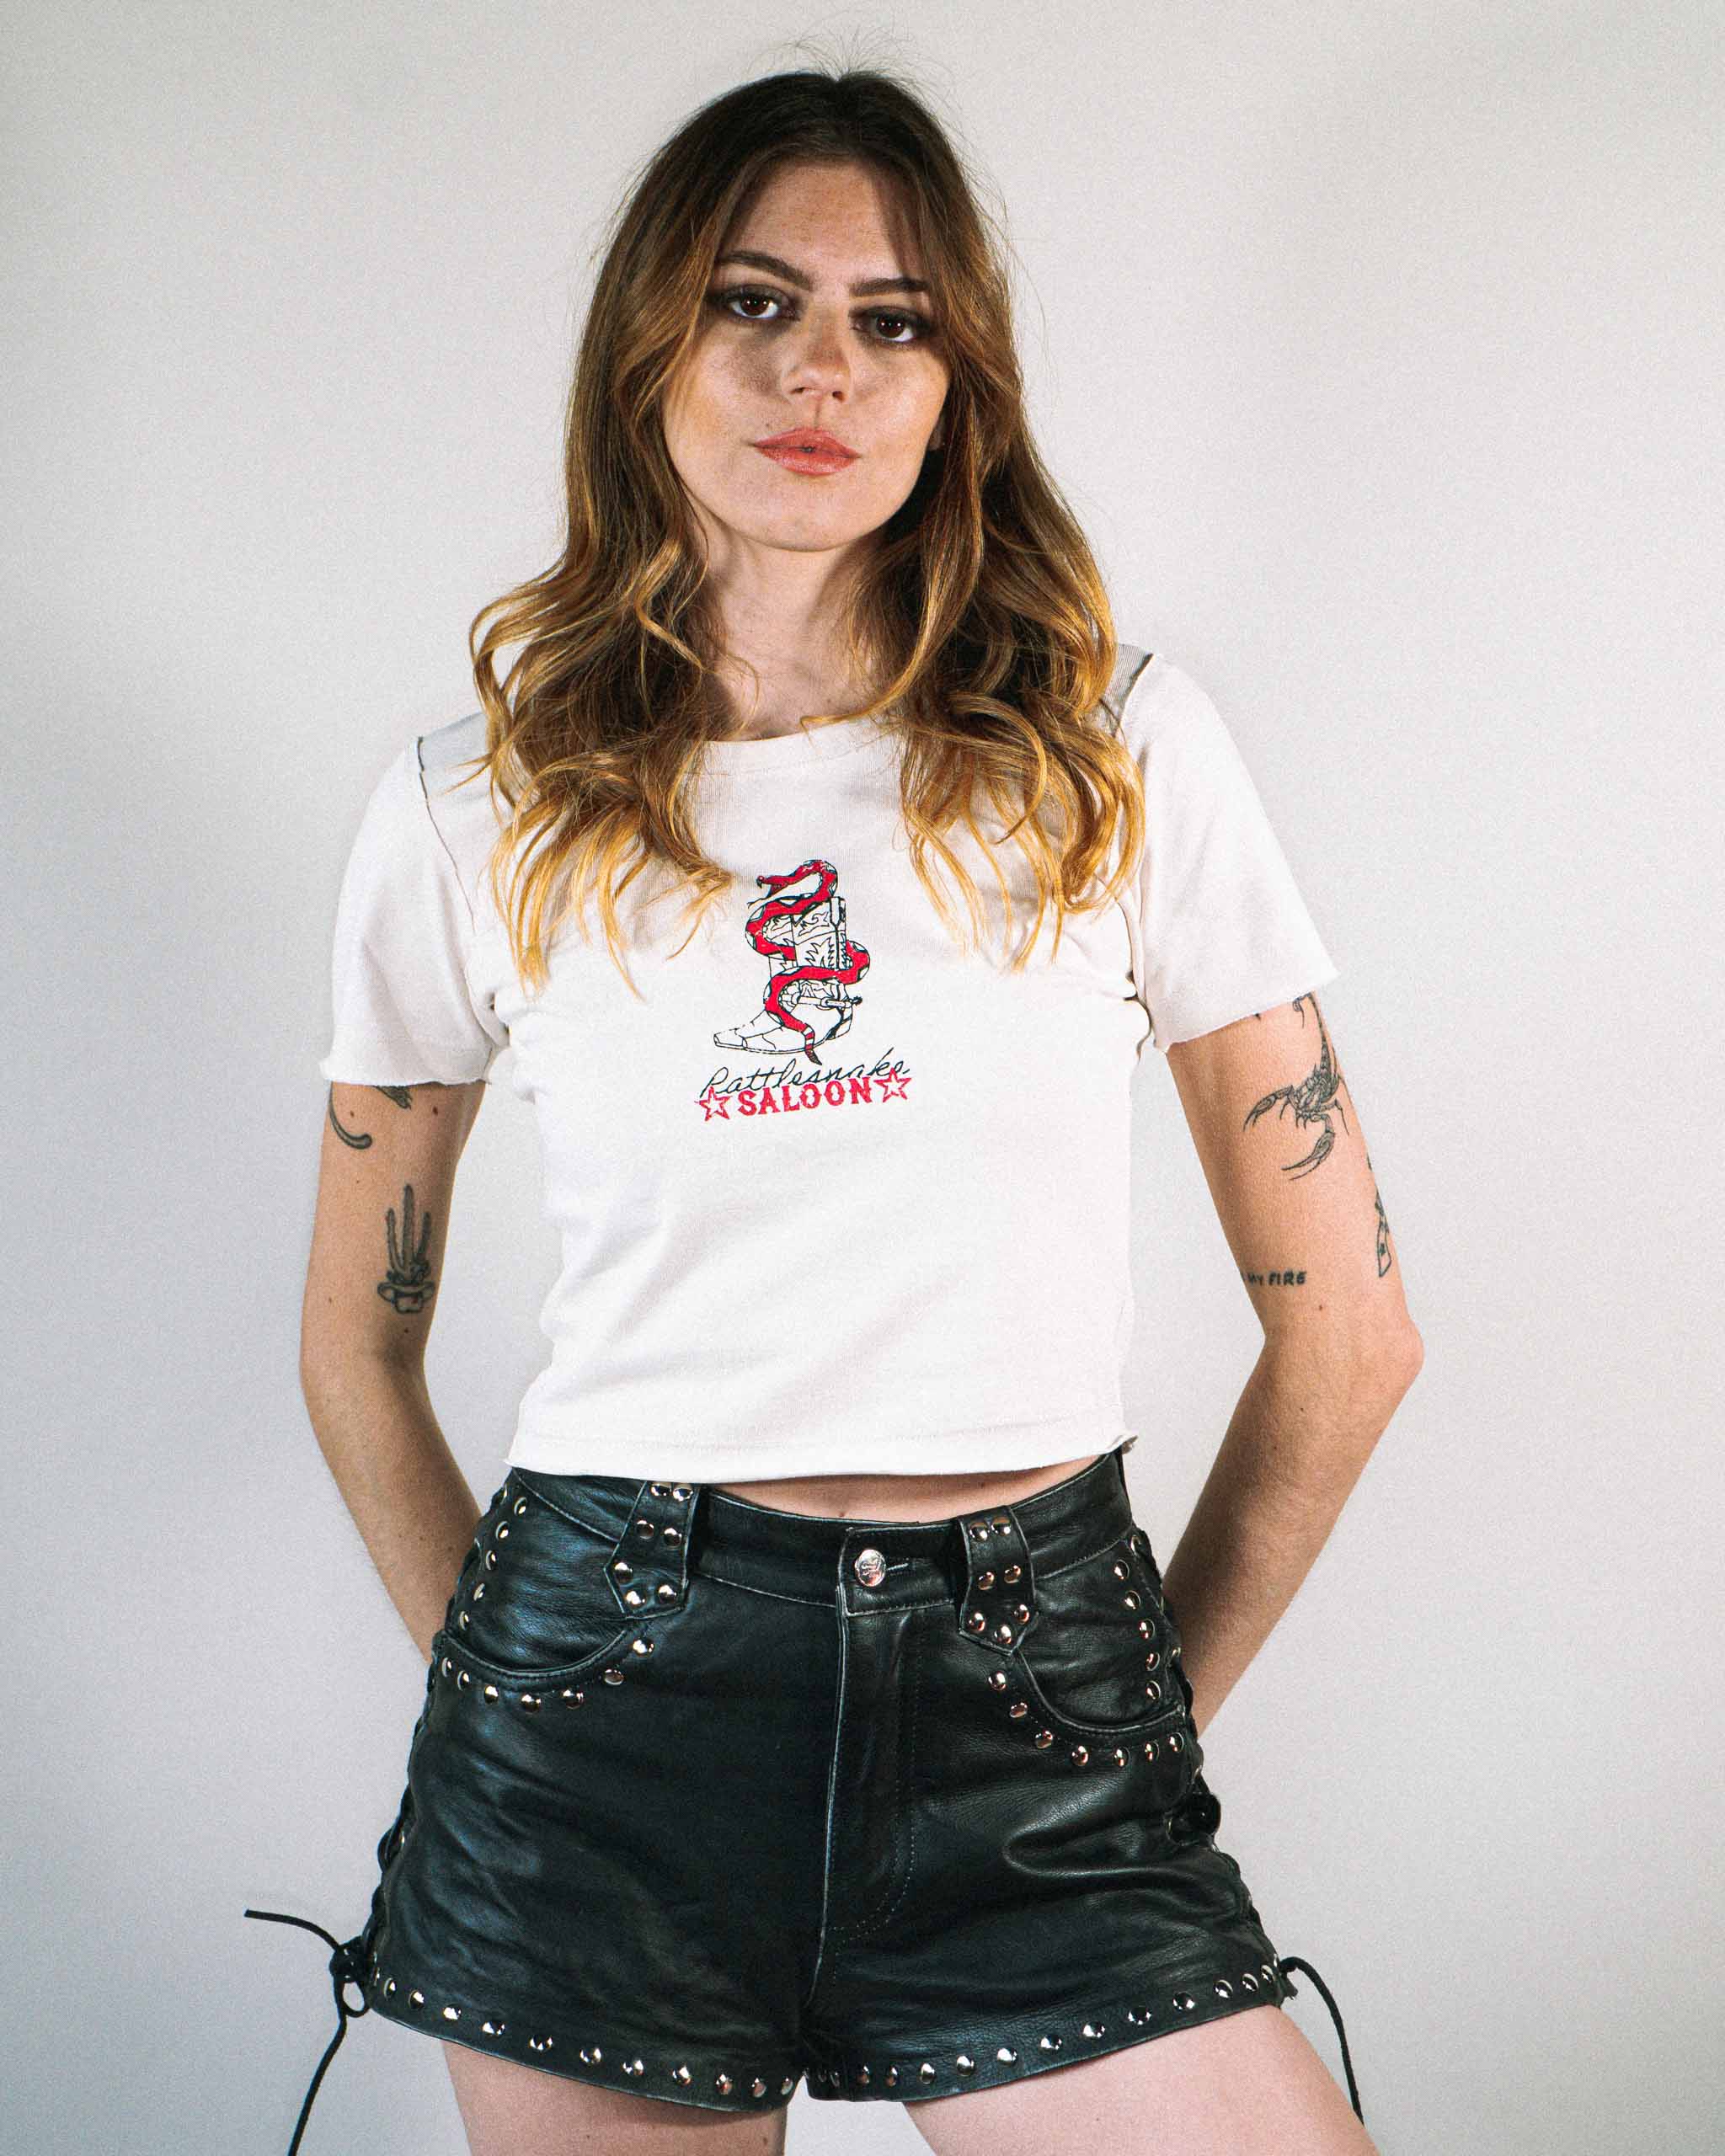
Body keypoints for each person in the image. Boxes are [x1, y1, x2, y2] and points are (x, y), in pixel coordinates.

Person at [244, 61, 1419, 2156]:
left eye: (894, 319)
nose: (823, 369)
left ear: (959, 378)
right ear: (646, 343)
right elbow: (355, 1336)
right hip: (604, 1717)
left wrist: (1127, 1726)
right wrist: (509, 1710)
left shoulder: (1115, 751)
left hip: (1039, 1699)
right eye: (752, 300)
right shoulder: (471, 805)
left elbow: (1351, 1327)